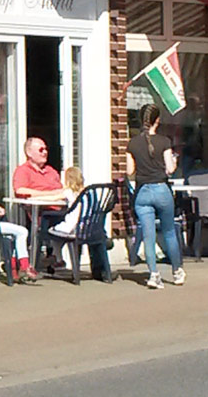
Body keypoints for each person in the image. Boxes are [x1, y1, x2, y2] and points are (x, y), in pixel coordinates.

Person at [127, 104, 184, 289]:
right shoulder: (164, 141)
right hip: (161, 189)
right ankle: (177, 271)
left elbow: (129, 171)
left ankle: (153, 274)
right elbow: (170, 169)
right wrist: (174, 160)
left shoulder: (133, 143)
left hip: (142, 192)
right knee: (169, 232)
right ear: (157, 121)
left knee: (148, 236)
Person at [46, 167, 113, 282]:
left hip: (74, 228)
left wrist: (34, 197)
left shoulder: (68, 192)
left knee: (51, 232)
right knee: (59, 233)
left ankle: (58, 257)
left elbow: (52, 198)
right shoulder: (90, 192)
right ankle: (58, 258)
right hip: (90, 229)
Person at [11, 137, 71, 204]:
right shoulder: (23, 171)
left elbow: (61, 190)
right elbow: (20, 191)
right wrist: (51, 194)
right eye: (41, 150)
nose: (45, 152)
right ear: (29, 153)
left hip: (61, 207)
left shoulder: (51, 171)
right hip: (39, 208)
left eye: (46, 149)